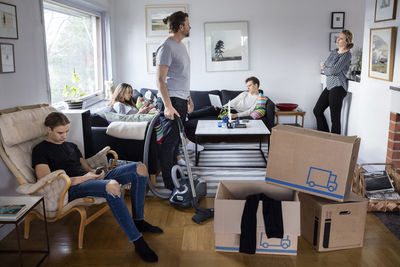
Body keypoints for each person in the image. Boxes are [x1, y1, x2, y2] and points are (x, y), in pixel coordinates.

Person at [32, 112, 162, 263]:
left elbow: (85, 166)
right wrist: (85, 178)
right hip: (71, 187)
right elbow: (48, 181)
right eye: (60, 132)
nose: (65, 135)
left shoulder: (70, 146)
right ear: (48, 129)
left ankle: (139, 220)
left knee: (140, 168)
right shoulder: (41, 150)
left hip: (88, 179)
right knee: (113, 187)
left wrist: (95, 173)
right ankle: (137, 241)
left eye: (67, 131)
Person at [155, 11, 193, 190]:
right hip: (172, 101)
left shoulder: (181, 46)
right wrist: (168, 106)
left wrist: (188, 98)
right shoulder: (167, 46)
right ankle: (171, 185)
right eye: (187, 24)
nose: (190, 26)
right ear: (180, 27)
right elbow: (160, 79)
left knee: (175, 142)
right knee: (169, 144)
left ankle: (176, 176)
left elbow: (182, 76)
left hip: (181, 99)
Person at [313, 29, 353, 134]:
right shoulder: (334, 52)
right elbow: (328, 68)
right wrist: (328, 69)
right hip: (330, 86)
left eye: (341, 38)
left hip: (339, 87)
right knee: (317, 110)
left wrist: (326, 68)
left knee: (334, 118)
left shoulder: (347, 55)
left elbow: (333, 69)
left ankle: (335, 144)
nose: (338, 40)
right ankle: (325, 136)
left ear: (347, 41)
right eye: (338, 38)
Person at [187, 76, 263, 120]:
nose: (248, 87)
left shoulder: (259, 98)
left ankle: (188, 116)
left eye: (249, 85)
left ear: (256, 85)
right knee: (211, 108)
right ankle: (189, 115)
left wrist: (236, 115)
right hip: (230, 108)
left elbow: (249, 111)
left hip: (235, 112)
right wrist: (222, 107)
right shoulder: (245, 93)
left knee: (211, 109)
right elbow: (233, 102)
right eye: (247, 86)